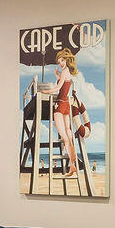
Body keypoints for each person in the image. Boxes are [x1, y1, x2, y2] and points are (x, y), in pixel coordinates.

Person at [51, 48, 90, 187]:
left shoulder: (65, 71)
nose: (60, 63)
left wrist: (44, 91)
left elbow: (57, 89)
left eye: (62, 60)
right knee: (68, 134)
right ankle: (72, 164)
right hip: (67, 105)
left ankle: (72, 165)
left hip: (61, 105)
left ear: (66, 60)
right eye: (59, 61)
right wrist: (57, 76)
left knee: (65, 136)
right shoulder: (68, 74)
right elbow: (65, 85)